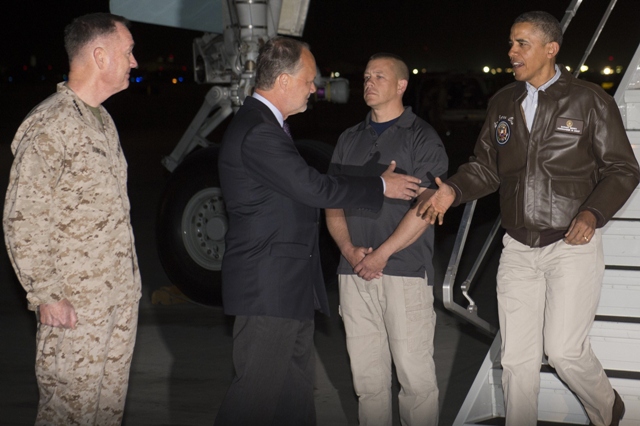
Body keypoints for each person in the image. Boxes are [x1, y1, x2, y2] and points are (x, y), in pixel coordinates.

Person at [417, 11, 638, 426]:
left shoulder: (591, 100)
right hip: (517, 245)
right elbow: (486, 168)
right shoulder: (504, 102)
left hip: (571, 245)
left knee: (564, 351)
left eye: (522, 44)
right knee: (517, 358)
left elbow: (622, 169)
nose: (512, 52)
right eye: (511, 43)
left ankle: (607, 407)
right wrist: (452, 189)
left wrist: (593, 212)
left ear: (551, 49)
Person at [215, 37, 422, 426]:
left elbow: (309, 182)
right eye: (309, 79)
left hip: (287, 287)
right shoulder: (258, 131)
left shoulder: (266, 126)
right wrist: (380, 186)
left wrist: (372, 177)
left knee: (293, 400)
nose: (315, 88)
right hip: (268, 290)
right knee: (253, 402)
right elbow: (313, 188)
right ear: (283, 81)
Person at [3, 13, 141, 425]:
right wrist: (45, 293)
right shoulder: (51, 124)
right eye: (128, 51)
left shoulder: (101, 120)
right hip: (75, 308)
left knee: (105, 415)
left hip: (115, 301)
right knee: (69, 416)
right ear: (100, 56)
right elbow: (22, 217)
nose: (135, 62)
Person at [325, 53, 447, 426]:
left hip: (404, 273)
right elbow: (332, 205)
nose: (369, 83)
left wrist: (383, 255)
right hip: (354, 273)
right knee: (367, 382)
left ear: (401, 86)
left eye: (379, 76)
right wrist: (348, 250)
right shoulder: (349, 139)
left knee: (415, 381)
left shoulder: (422, 137)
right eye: (365, 77)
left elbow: (428, 208)